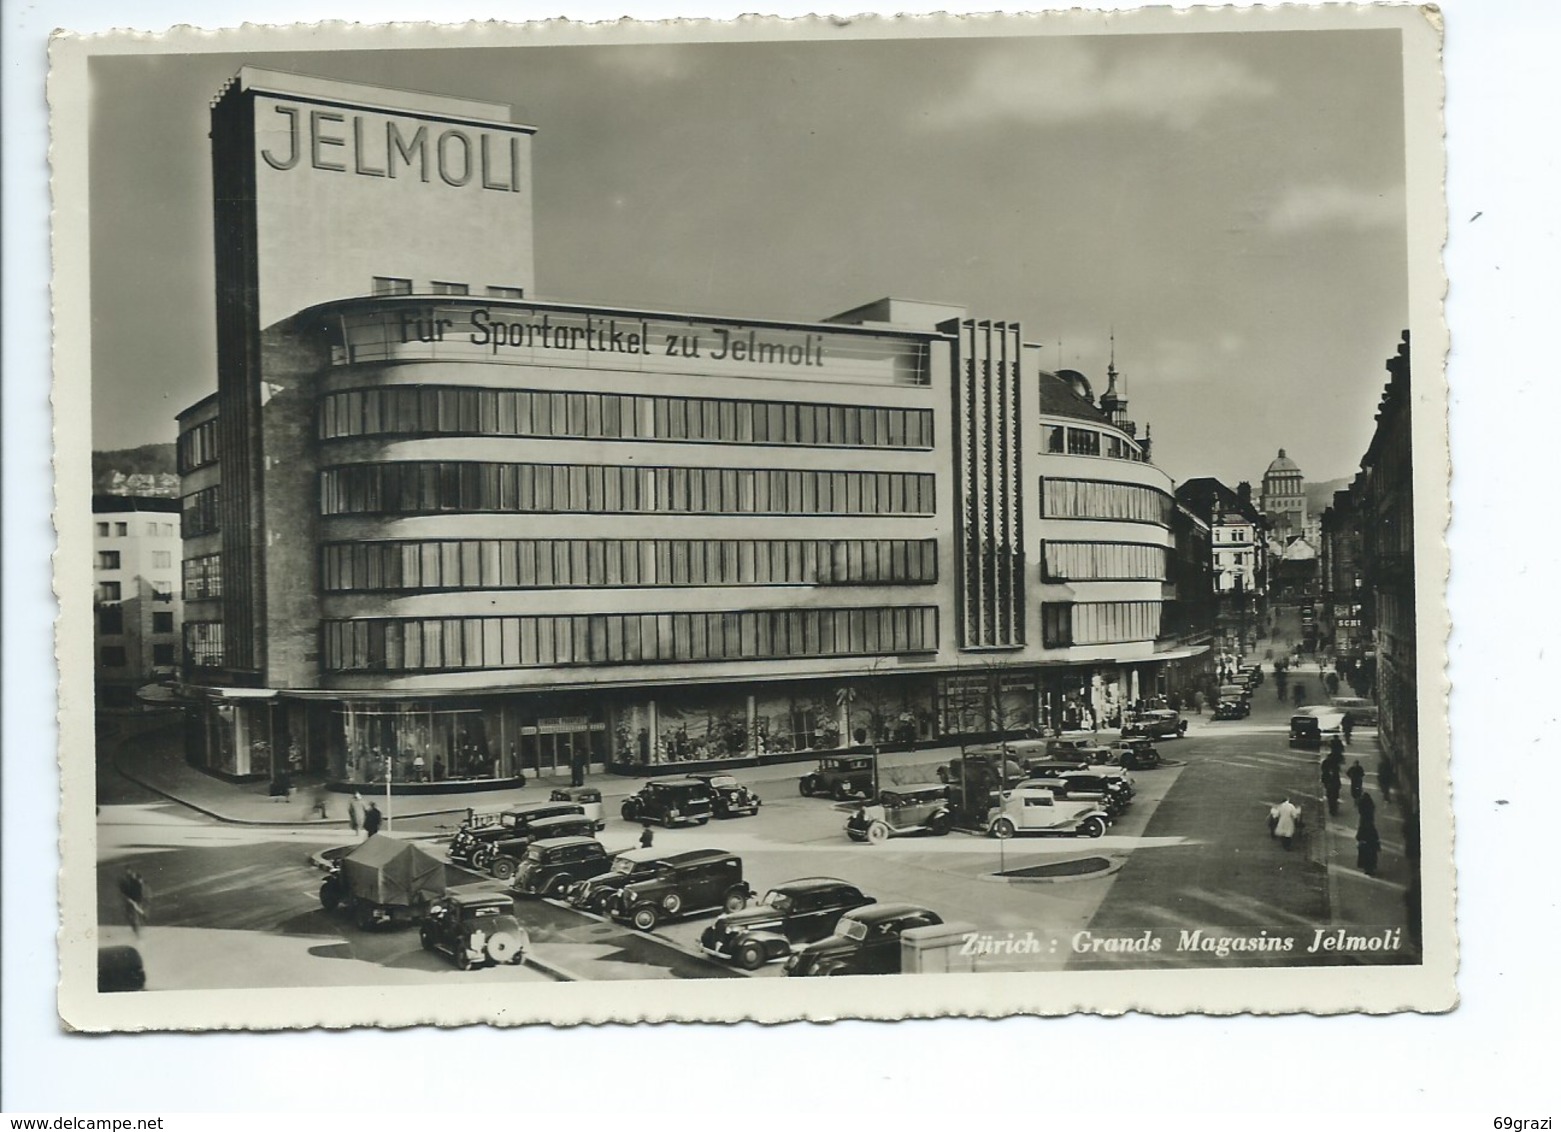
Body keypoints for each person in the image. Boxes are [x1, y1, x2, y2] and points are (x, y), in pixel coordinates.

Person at [118, 867, 149, 938]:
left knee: (133, 915)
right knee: (133, 914)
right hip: (133, 899)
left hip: (134, 899)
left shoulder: (133, 881)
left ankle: (137, 930)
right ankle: (140, 921)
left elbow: (130, 892)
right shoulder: (132, 881)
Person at [1356, 799, 1381, 876]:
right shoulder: (1371, 824)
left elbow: (1358, 836)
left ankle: (1367, 868)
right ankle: (1371, 868)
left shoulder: (1362, 824)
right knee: (1372, 857)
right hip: (1371, 844)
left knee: (1365, 856)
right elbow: (1375, 835)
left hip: (1365, 844)